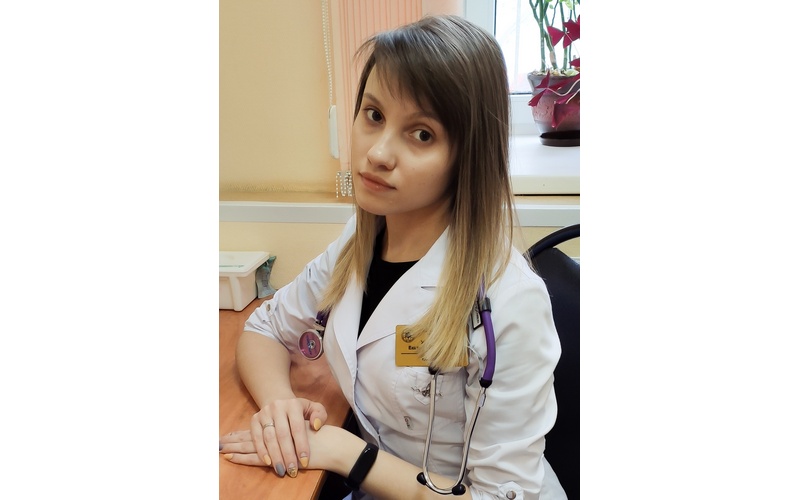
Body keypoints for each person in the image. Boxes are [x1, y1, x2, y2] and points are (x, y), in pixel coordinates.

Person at [219, 14, 567, 500]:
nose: (378, 153)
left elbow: (499, 496)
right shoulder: (357, 244)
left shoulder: (510, 301)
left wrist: (347, 453)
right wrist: (281, 408)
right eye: (374, 115)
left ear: (467, 157)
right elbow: (265, 329)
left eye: (422, 134)